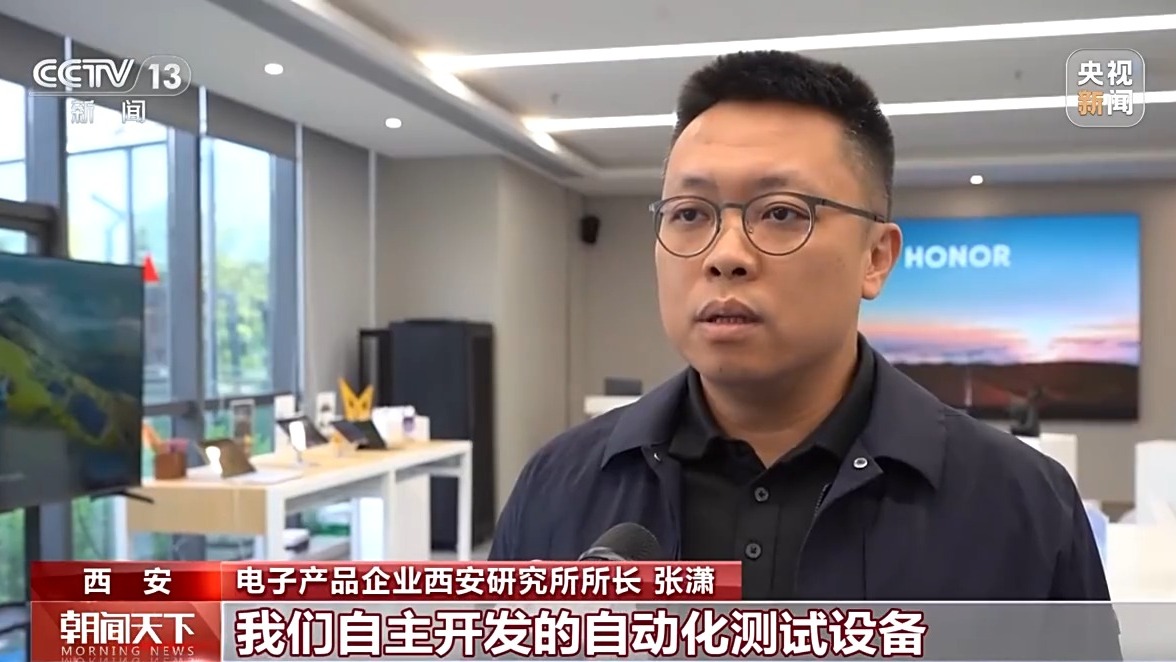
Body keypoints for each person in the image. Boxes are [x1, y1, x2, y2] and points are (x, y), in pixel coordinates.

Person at [490, 51, 1111, 606]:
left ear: (876, 258)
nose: (724, 254)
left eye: (782, 213)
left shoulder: (1022, 504)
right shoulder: (559, 486)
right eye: (689, 213)